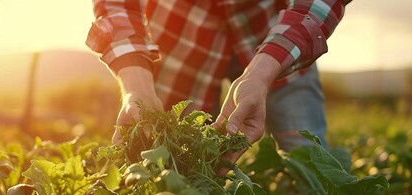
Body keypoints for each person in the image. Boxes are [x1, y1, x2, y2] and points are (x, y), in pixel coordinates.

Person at [86, 0, 351, 165]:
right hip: (182, 41)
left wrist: (261, 73)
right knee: (172, 164)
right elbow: (117, 5)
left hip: (275, 39)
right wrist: (138, 87)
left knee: (309, 159)